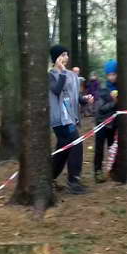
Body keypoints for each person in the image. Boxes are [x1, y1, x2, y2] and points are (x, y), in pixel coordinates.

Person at [48, 44, 93, 194]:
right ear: (55, 58)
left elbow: (74, 95)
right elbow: (56, 90)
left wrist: (84, 100)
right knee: (76, 143)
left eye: (66, 54)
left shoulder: (72, 75)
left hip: (71, 118)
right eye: (62, 55)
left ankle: (49, 178)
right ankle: (74, 182)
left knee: (63, 150)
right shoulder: (51, 75)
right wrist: (61, 72)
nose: (65, 57)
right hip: (60, 120)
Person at [94, 59, 119, 183]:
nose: (111, 77)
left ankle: (111, 170)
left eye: (114, 74)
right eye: (109, 74)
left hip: (113, 123)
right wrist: (114, 102)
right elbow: (101, 108)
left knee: (111, 147)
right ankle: (97, 172)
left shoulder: (120, 87)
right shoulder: (103, 88)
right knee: (99, 148)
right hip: (101, 122)